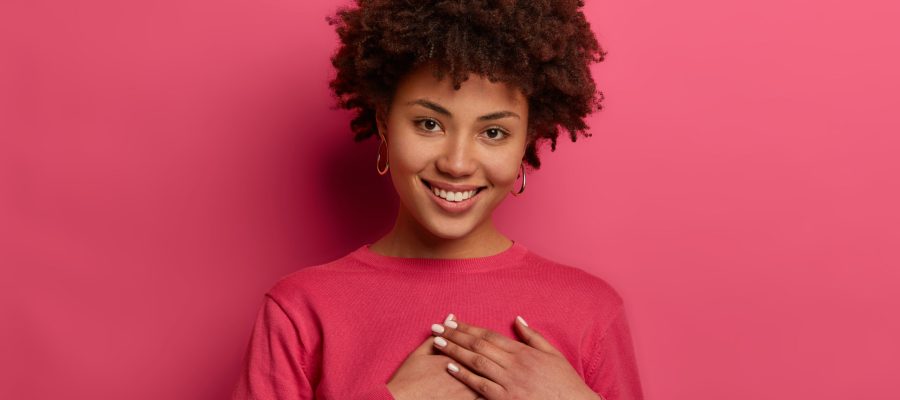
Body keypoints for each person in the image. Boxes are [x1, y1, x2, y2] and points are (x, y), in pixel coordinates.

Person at [231, 0, 644, 399]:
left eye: (494, 132)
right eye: (429, 123)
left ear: (526, 143)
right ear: (385, 124)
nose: (457, 163)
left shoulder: (590, 310)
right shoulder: (301, 310)